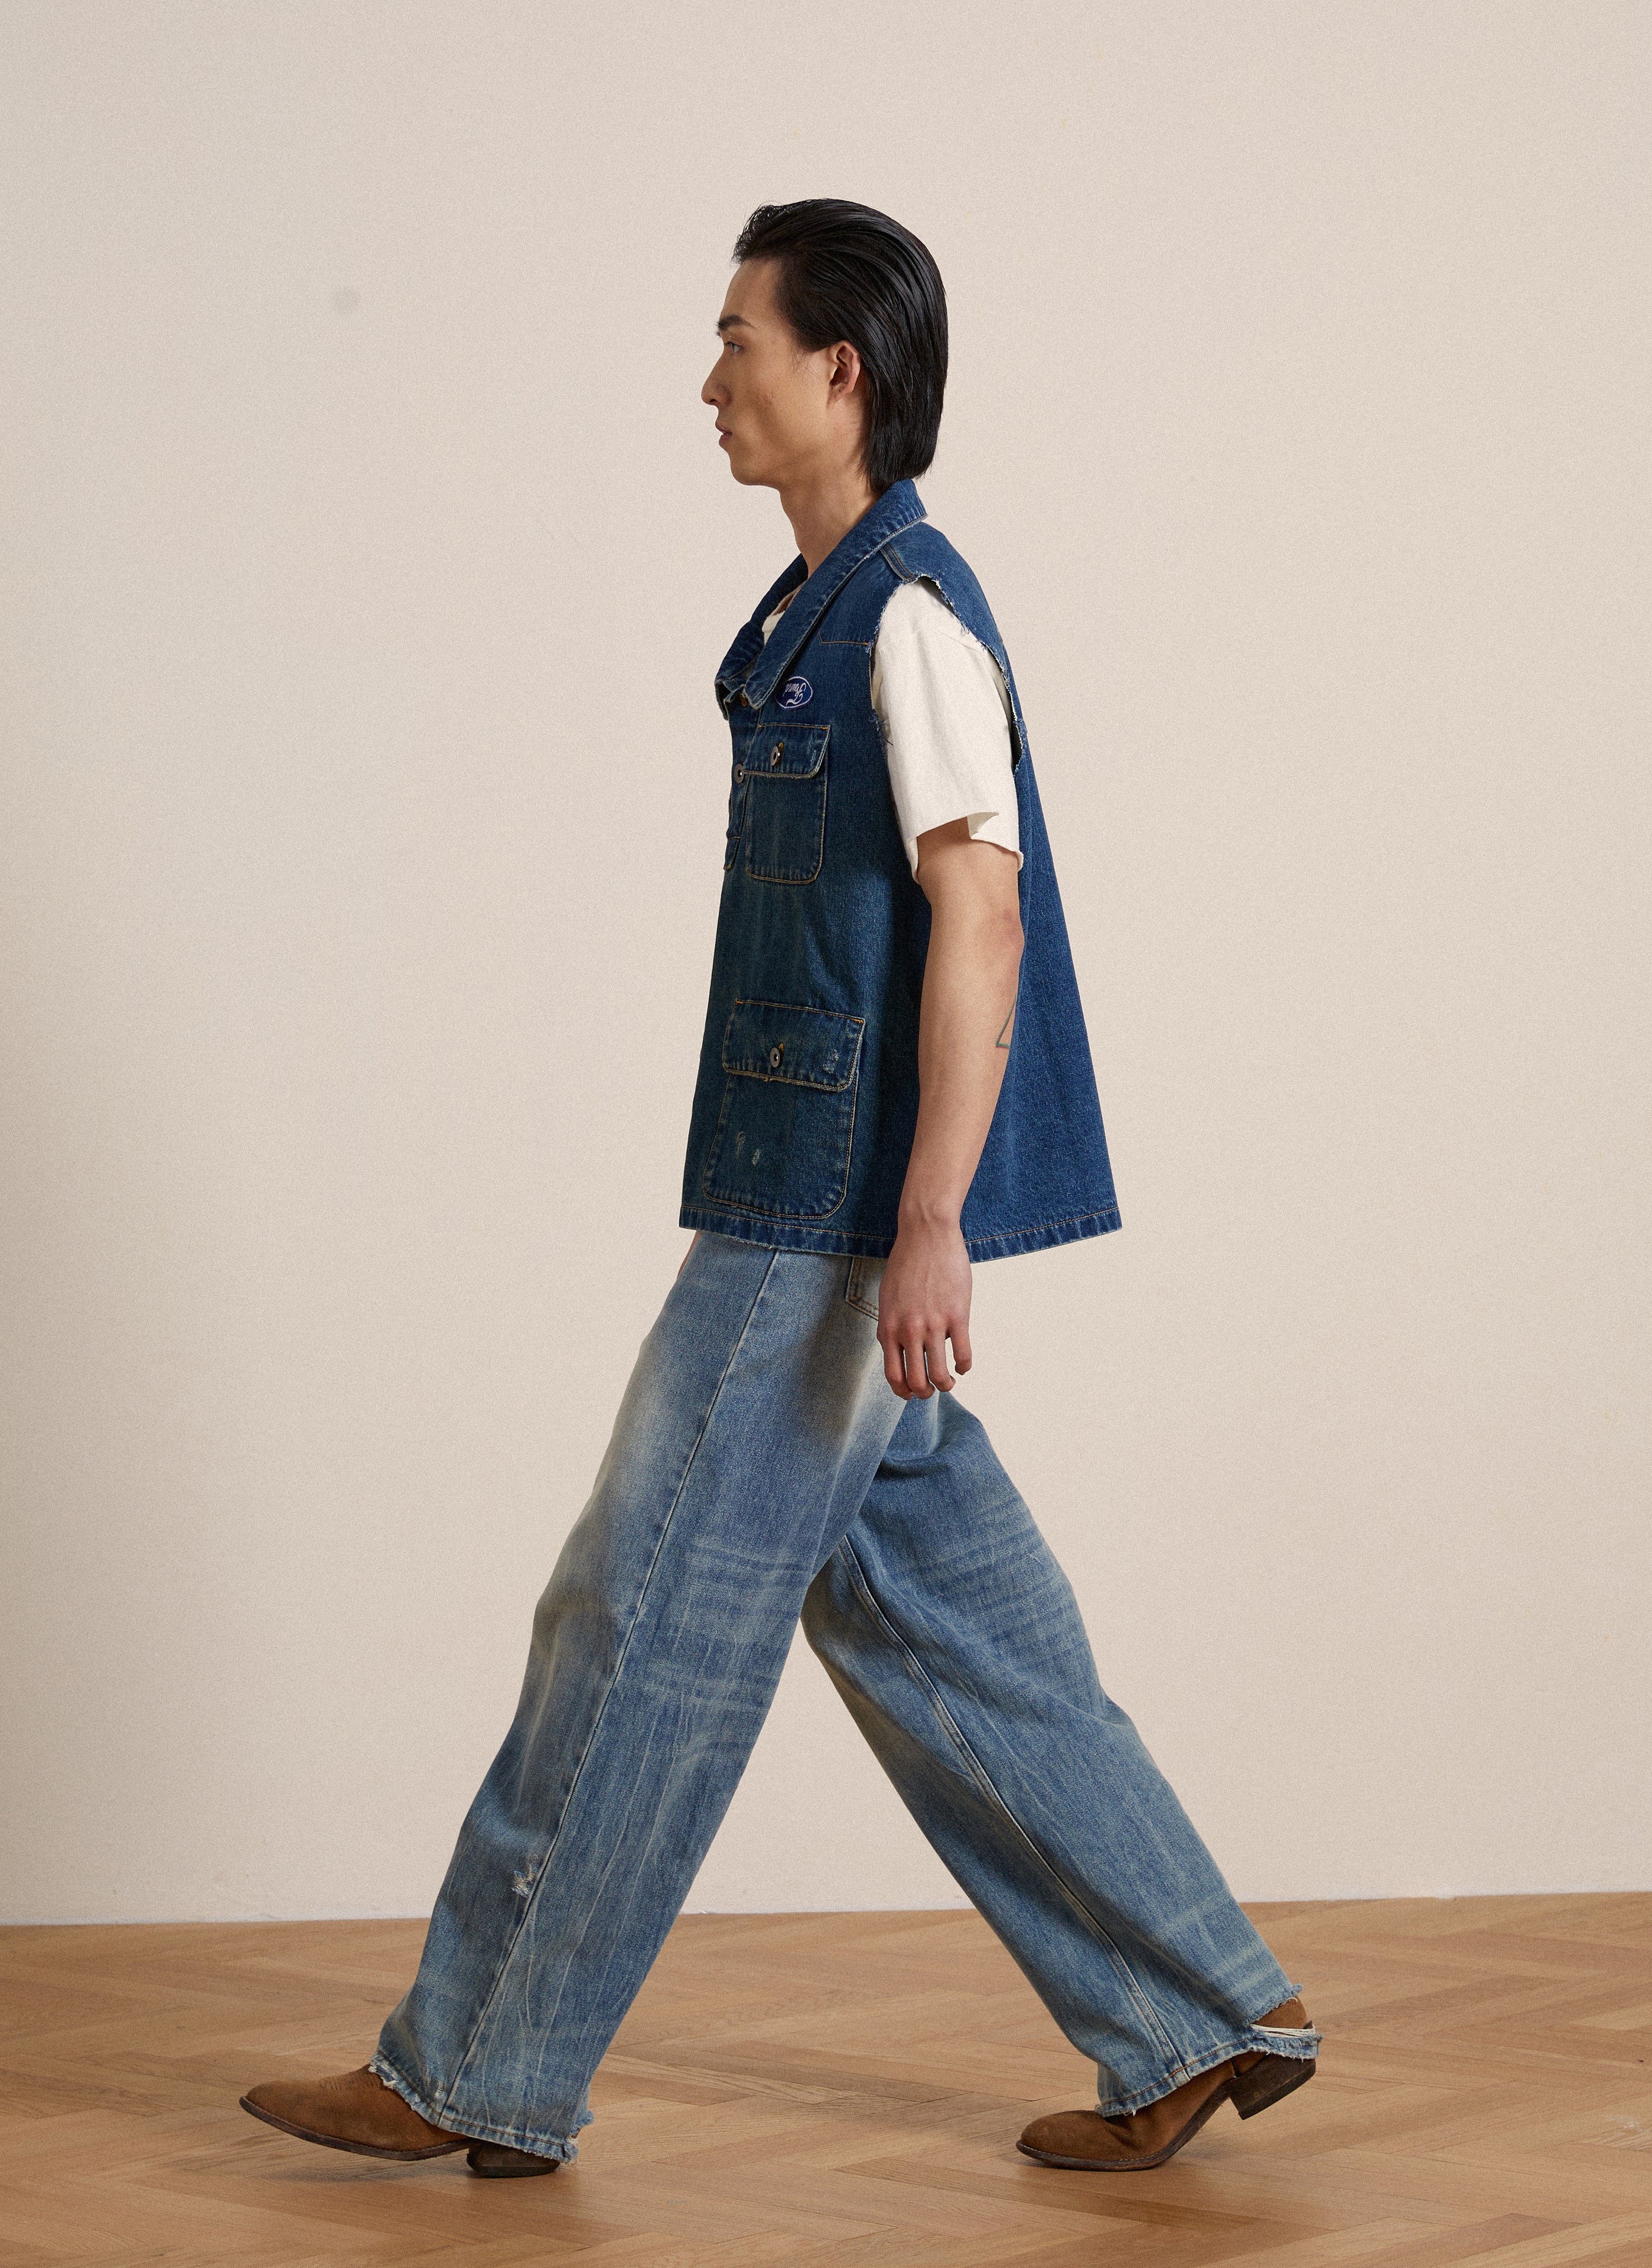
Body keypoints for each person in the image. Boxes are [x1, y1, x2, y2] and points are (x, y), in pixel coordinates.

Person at [240, 198, 1320, 2182]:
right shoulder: (822, 609)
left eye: (739, 337)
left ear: (843, 371)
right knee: (949, 1631)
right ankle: (1194, 2014)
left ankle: (475, 2064)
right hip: (815, 1203)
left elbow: (979, 916)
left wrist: (924, 1222)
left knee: (631, 1618)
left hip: (818, 1232)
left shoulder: (909, 613)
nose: (711, 378)